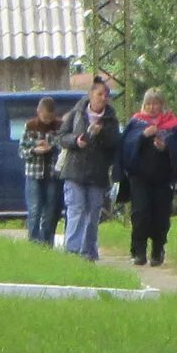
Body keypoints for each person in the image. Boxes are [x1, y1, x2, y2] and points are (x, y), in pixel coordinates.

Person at [120, 88, 177, 267]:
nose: (153, 107)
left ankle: (157, 251)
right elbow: (125, 146)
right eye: (149, 103)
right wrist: (142, 136)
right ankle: (138, 251)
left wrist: (166, 147)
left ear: (162, 105)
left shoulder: (172, 125)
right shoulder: (136, 122)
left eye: (156, 103)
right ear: (144, 105)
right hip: (139, 178)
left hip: (163, 178)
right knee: (141, 214)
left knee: (161, 216)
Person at [57, 74, 119, 260]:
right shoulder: (76, 113)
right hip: (74, 170)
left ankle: (88, 251)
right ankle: (72, 252)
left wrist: (101, 134)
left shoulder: (110, 120)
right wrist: (76, 141)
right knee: (75, 209)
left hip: (97, 173)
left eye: (105, 95)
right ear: (91, 96)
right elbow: (62, 137)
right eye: (99, 94)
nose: (103, 98)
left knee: (92, 213)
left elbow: (114, 143)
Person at [21, 96, 66, 242]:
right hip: (34, 173)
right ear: (38, 112)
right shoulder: (30, 126)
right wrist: (34, 149)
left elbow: (63, 147)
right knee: (34, 210)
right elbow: (21, 151)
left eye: (50, 118)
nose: (47, 121)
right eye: (45, 117)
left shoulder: (60, 126)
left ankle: (47, 242)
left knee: (50, 211)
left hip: (53, 174)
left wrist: (51, 147)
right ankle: (33, 241)